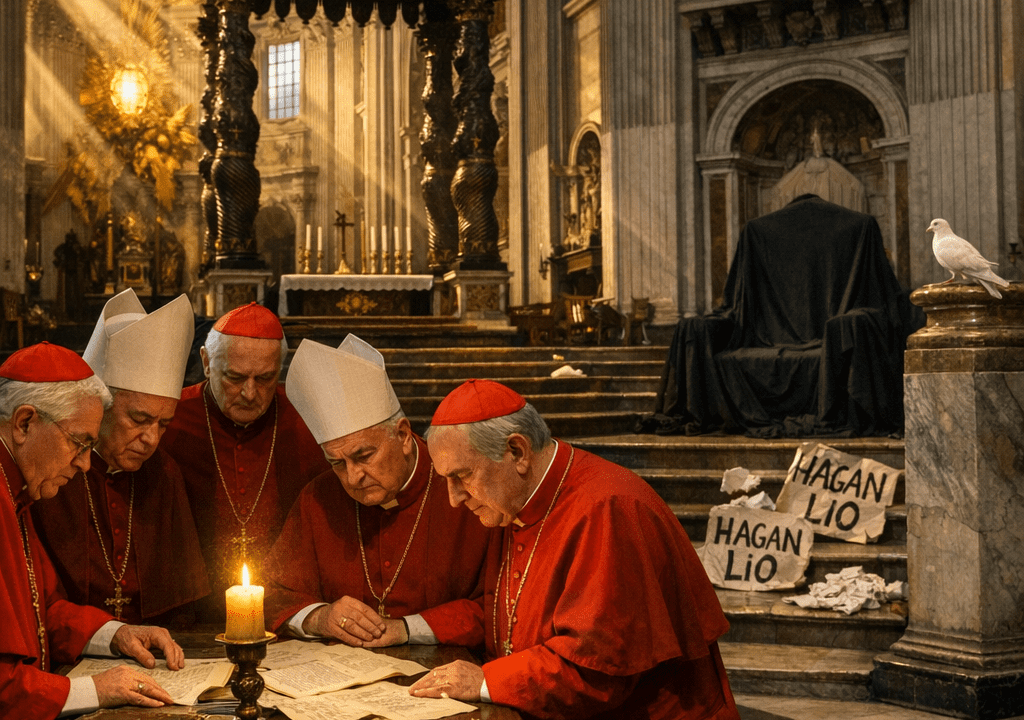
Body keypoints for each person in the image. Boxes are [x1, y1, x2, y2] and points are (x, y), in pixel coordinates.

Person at [411, 379, 740, 720]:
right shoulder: (514, 503)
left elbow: (597, 670)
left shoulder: (607, 510)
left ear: (517, 452)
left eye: (462, 476)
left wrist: (486, 681)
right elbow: (502, 614)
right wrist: (406, 628)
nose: (453, 499)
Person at [265, 336, 498, 648]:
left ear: (402, 435)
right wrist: (320, 618)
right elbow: (268, 594)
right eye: (337, 462)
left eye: (364, 456)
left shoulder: (463, 487)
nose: (353, 477)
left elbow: (498, 605)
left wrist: (406, 628)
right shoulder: (317, 499)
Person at [0, 343, 185, 719]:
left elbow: (42, 611)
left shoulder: (14, 491)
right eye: (80, 442)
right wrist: (95, 689)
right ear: (24, 423)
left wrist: (115, 634)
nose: (86, 463)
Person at [33, 290, 208, 626]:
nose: (152, 440)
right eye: (139, 420)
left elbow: (183, 603)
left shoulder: (164, 473)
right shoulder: (55, 470)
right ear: (101, 408)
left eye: (164, 424)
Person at [161, 302, 328, 622]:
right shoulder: (169, 419)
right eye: (235, 378)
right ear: (207, 363)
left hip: (284, 610)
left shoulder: (306, 420)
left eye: (265, 379)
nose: (250, 394)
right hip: (187, 610)